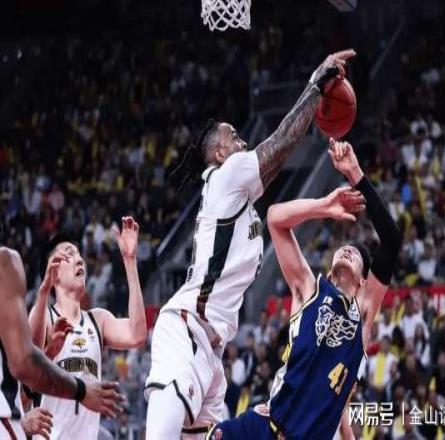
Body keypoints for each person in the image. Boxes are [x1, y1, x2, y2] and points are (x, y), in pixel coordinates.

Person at [144, 49, 357, 439]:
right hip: (186, 331)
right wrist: (315, 86)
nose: (243, 141)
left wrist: (321, 207)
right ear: (220, 153)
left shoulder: (240, 204)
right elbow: (280, 144)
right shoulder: (225, 175)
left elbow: (274, 192)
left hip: (212, 354)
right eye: (234, 137)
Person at [207, 139, 402, 439]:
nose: (348, 251)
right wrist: (323, 207)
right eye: (344, 248)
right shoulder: (309, 290)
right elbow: (275, 219)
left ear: (363, 281)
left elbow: (391, 239)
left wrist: (355, 174)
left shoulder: (362, 315)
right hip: (264, 426)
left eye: (357, 255)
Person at [28, 216, 147, 439]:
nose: (79, 260)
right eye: (69, 254)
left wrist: (130, 262)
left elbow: (137, 335)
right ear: (52, 270)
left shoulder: (97, 320)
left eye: (78, 254)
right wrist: (43, 291)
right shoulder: (44, 315)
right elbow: (28, 363)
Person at [0, 247, 124, 439]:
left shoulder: (97, 320)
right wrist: (82, 391)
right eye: (69, 254)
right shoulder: (5, 262)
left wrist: (48, 355)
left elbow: (21, 387)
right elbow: (23, 364)